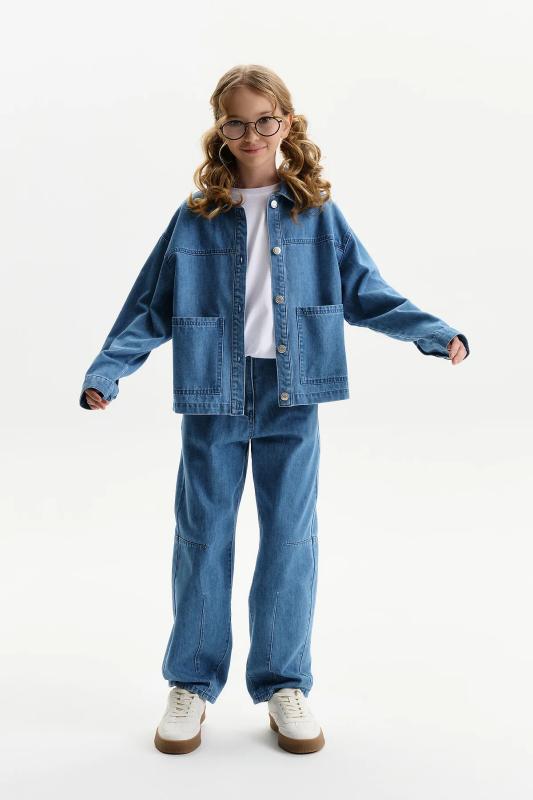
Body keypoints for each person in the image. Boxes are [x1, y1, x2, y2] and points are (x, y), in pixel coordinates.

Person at [79, 64, 470, 756]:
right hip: (214, 391)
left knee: (290, 539)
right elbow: (150, 305)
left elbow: (365, 291)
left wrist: (432, 333)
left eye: (265, 119)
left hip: (294, 392)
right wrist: (108, 371)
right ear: (220, 130)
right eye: (237, 121)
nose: (252, 133)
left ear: (286, 123)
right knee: (202, 538)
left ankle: (284, 682)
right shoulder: (195, 216)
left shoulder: (316, 213)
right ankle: (191, 684)